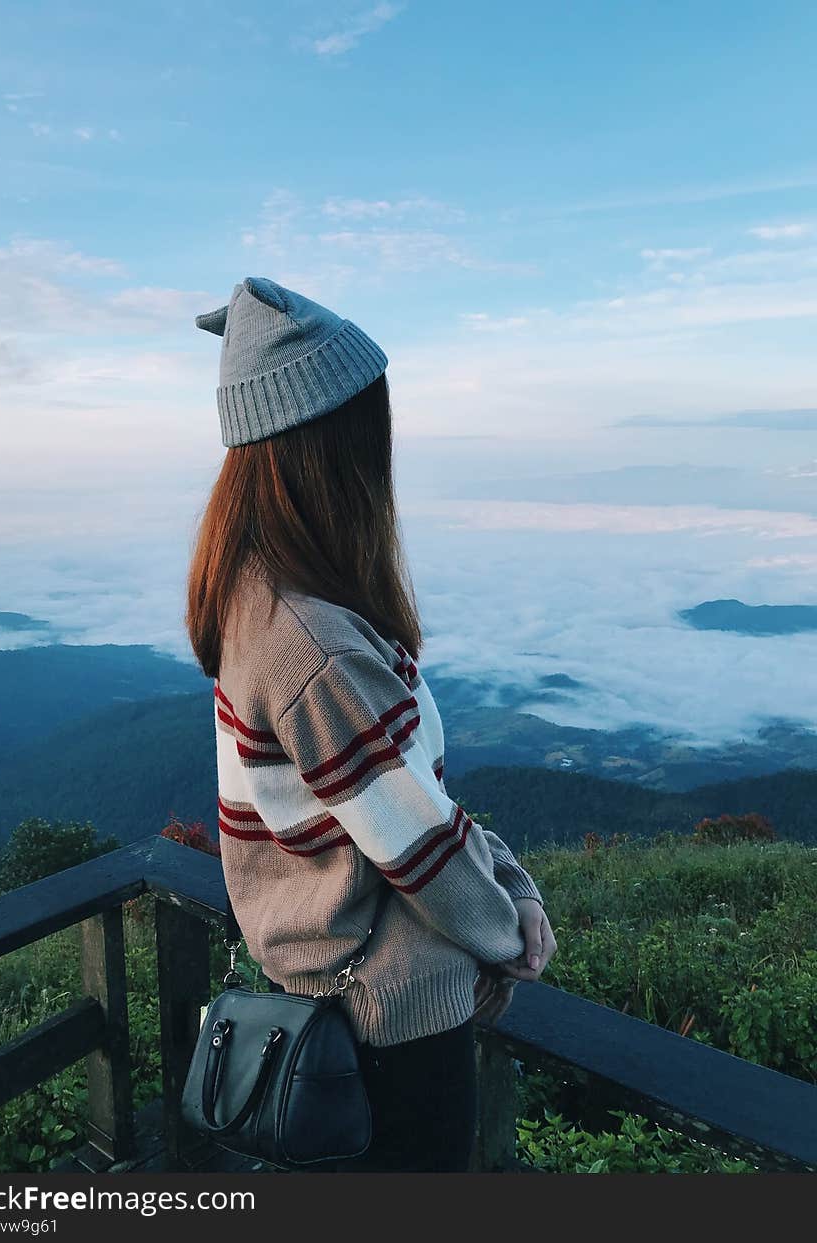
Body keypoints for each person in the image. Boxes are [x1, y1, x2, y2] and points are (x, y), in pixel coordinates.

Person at [185, 276, 557, 1173]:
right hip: (389, 1025)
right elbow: (418, 843)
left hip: (317, 997)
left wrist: (497, 871)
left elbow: (396, 804)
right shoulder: (317, 646)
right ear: (331, 446)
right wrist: (514, 928)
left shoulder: (254, 594)